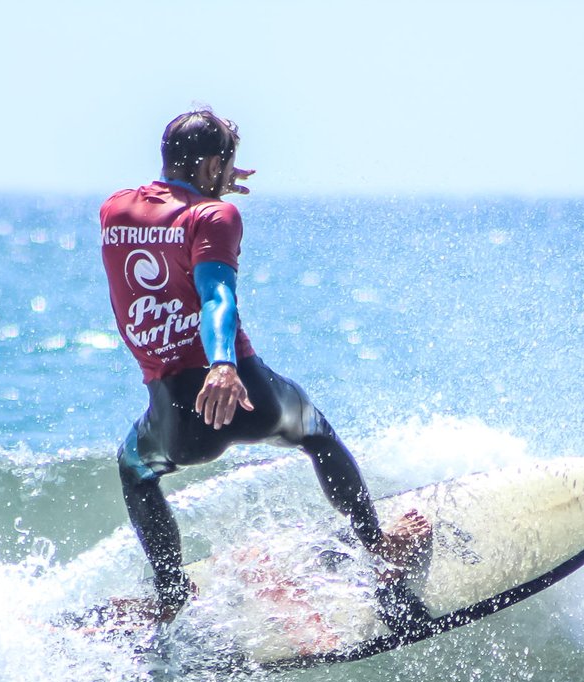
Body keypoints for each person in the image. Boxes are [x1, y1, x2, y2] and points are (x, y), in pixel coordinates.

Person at [99, 109, 429, 622]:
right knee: (314, 430)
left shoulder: (114, 211)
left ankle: (171, 594)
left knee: (135, 468)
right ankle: (379, 546)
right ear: (212, 166)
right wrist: (223, 365)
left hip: (177, 422)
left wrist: (205, 189)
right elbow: (215, 295)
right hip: (244, 395)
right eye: (224, 164)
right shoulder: (214, 218)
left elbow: (169, 223)